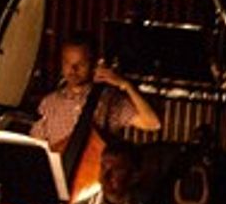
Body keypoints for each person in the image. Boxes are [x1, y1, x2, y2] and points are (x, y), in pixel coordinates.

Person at [32, 33, 161, 158]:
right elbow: (35, 147)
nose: (73, 70)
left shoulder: (109, 99)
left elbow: (153, 123)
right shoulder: (49, 102)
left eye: (80, 64)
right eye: (67, 63)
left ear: (94, 64)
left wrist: (126, 85)